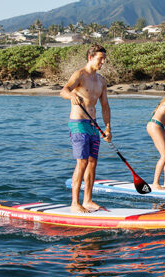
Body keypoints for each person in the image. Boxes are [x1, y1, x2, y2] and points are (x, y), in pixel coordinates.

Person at [60, 44, 112, 213]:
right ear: (91, 57)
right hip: (78, 124)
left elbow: (105, 106)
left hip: (93, 125)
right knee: (81, 163)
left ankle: (88, 200)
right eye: (100, 59)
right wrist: (72, 95)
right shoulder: (80, 75)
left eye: (104, 59)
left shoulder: (101, 80)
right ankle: (75, 203)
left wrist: (108, 128)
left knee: (92, 163)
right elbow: (64, 90)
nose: (103, 62)